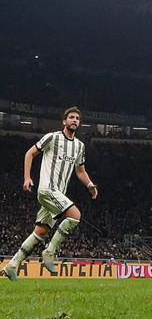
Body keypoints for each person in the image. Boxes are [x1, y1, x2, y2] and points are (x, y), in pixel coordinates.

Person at [4, 107, 99, 281]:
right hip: (47, 189)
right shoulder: (52, 137)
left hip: (58, 193)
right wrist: (27, 178)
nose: (74, 120)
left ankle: (12, 265)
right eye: (71, 117)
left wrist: (90, 185)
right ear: (64, 121)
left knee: (41, 231)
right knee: (75, 216)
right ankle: (49, 252)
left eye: (77, 118)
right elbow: (29, 153)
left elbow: (80, 171)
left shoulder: (79, 146)